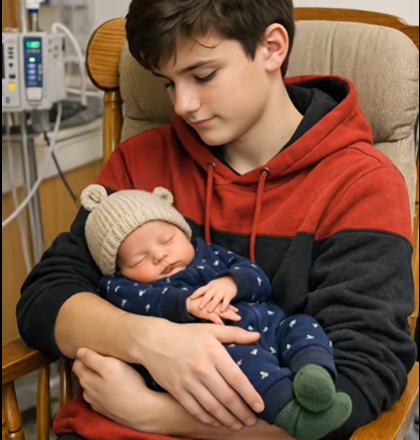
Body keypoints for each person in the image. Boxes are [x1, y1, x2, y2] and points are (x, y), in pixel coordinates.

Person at [17, 0, 416, 439]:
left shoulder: (362, 183)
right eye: (168, 83)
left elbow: (358, 380)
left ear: (271, 47)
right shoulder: (141, 161)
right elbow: (46, 298)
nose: (183, 104)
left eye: (203, 75)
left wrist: (152, 412)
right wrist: (151, 342)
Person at [55, 183, 352, 440]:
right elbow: (142, 304)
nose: (160, 255)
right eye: (139, 258)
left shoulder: (208, 253)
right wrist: (184, 304)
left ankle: (314, 375)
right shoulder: (122, 286)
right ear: (119, 270)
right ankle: (294, 414)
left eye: (167, 240)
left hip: (270, 325)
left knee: (303, 324)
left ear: (183, 232)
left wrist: (231, 282)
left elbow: (257, 277)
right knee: (243, 362)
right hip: (216, 348)